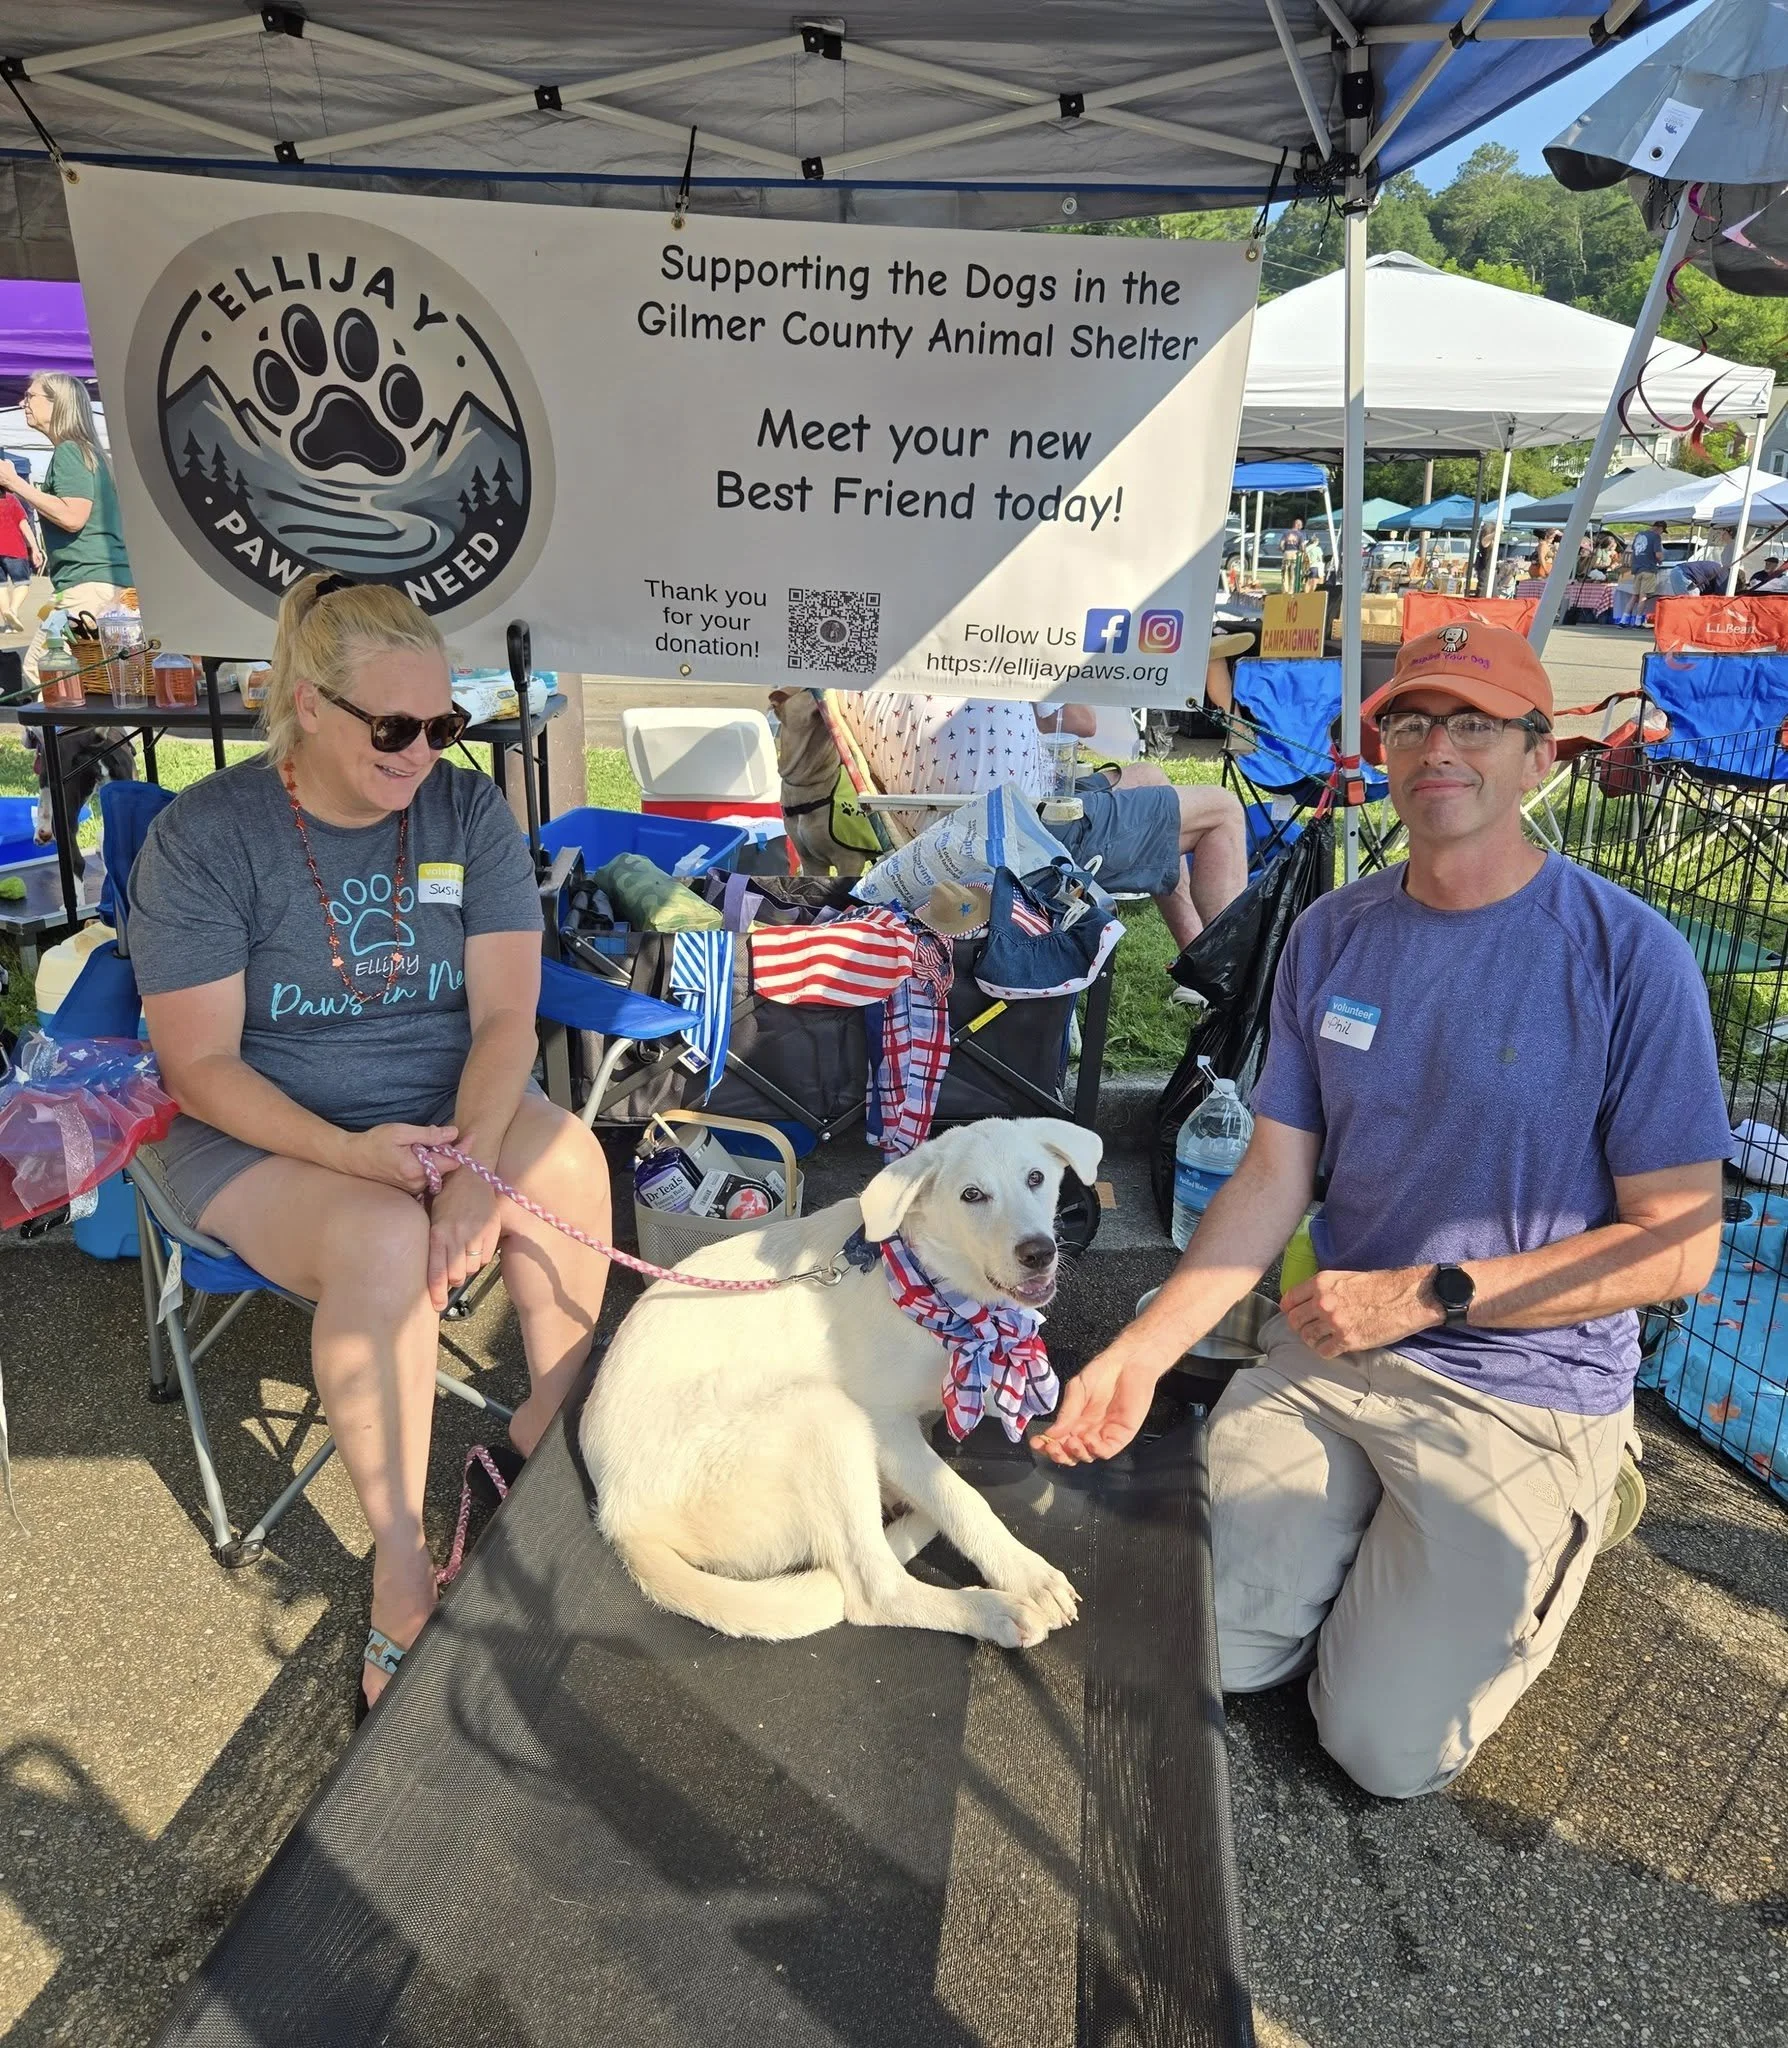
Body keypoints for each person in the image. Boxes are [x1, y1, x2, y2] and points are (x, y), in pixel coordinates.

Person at [1034, 620, 1727, 1800]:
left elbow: (1682, 1244)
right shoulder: (1332, 932)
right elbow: (1272, 1176)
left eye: (1472, 722)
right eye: (1409, 722)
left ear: (1537, 757)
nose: (1434, 747)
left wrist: (1430, 1291)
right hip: (1336, 1344)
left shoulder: (1628, 956)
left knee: (1381, 1746)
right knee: (1211, 1648)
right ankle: (1378, 1552)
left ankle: (1575, 1499)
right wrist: (1144, 1352)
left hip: (1522, 1385)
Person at [129, 574, 615, 1712]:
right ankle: (401, 1572)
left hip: (449, 1104)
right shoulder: (210, 837)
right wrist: (361, 1159)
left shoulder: (463, 809)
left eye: (442, 725)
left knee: (573, 1166)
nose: (422, 752)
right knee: (383, 1242)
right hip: (258, 1128)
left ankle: (550, 1452)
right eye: (394, 727)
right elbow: (199, 1067)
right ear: (305, 704)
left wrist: (472, 1165)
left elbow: (505, 1017)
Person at [839, 690, 1248, 952]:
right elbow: (1084, 720)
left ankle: (1195, 961)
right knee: (1222, 811)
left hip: (942, 833)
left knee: (1149, 778)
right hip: (1021, 837)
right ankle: (1232, 984)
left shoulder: (861, 677)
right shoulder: (991, 643)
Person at [0, 372, 133, 691]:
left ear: (58, 404)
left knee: (40, 671)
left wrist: (14, 483)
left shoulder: (70, 452)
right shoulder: (84, 452)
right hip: (94, 585)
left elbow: (74, 516)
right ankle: (101, 738)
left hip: (85, 587)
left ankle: (80, 739)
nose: (22, 403)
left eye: (30, 396)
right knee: (89, 683)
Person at [0, 452, 43, 632]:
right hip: (14, 550)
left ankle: (9, 622)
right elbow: (24, 525)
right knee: (22, 583)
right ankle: (13, 610)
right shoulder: (11, 500)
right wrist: (35, 548)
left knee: (0, 586)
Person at [1629, 520, 1666, 618]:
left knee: (1634, 596)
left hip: (1637, 569)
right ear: (1660, 528)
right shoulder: (1656, 537)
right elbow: (1658, 555)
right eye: (1662, 531)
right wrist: (1661, 560)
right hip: (1649, 569)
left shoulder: (1639, 535)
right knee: (1643, 596)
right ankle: (1638, 620)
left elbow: (1633, 552)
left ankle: (1624, 619)